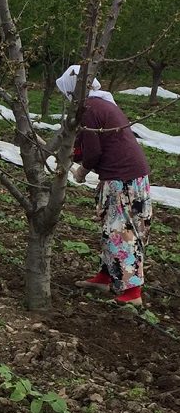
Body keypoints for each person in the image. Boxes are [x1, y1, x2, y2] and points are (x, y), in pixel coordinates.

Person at [56, 65, 152, 306]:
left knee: (121, 232)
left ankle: (132, 294)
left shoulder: (88, 109)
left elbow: (93, 152)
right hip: (133, 176)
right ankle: (105, 276)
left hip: (122, 179)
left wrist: (82, 169)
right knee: (114, 229)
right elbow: (89, 143)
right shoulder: (102, 104)